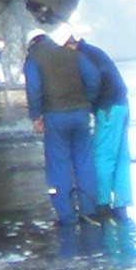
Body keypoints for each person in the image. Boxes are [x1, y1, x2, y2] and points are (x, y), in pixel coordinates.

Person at [22, 30, 100, 227]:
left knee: (58, 166)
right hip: (80, 114)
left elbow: (33, 88)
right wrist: (87, 101)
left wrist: (36, 116)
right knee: (84, 162)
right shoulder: (73, 54)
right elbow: (94, 78)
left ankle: (67, 216)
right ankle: (89, 211)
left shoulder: (33, 59)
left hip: (54, 116)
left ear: (30, 44)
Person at [75, 33, 133, 217]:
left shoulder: (83, 56)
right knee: (121, 156)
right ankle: (122, 203)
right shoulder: (93, 51)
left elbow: (94, 80)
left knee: (102, 156)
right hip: (121, 105)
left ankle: (103, 204)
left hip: (107, 108)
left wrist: (88, 103)